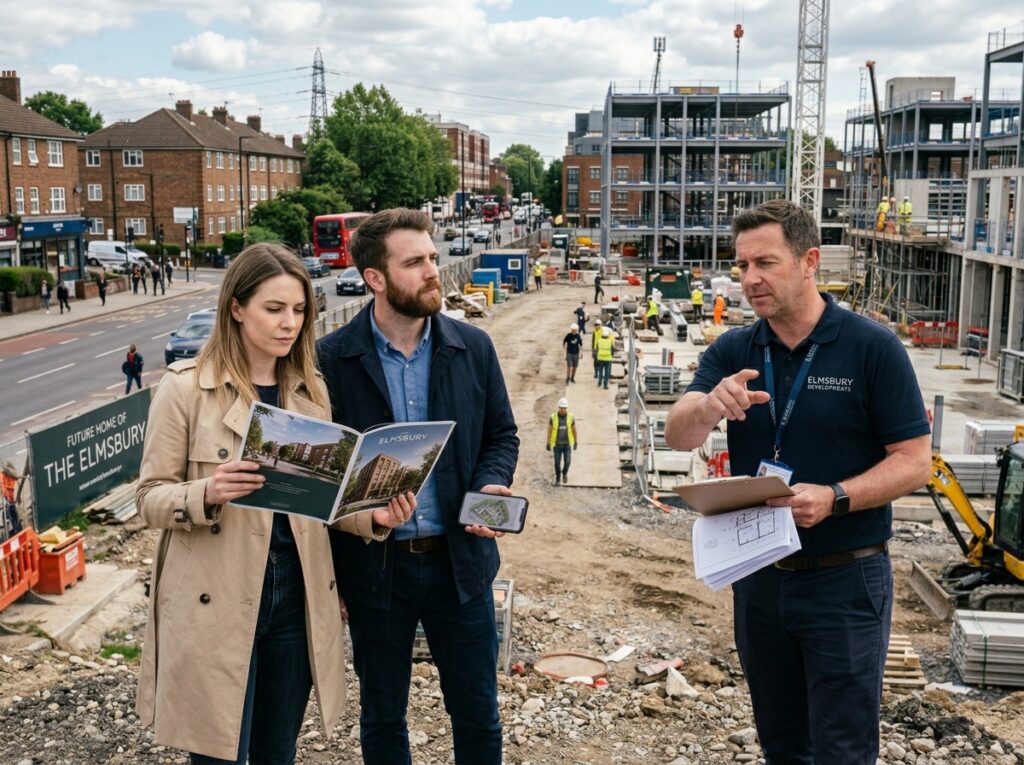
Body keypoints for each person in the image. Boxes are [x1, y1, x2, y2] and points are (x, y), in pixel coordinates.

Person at [663, 199, 931, 765]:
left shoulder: (871, 348)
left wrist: (836, 498)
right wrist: (708, 405)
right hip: (759, 578)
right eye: (742, 266)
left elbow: (914, 461)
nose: (749, 279)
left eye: (766, 263)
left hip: (845, 580)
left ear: (810, 262)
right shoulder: (735, 349)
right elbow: (679, 435)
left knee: (842, 748)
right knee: (782, 744)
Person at [134, 243, 414, 764]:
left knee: (277, 751)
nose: (290, 323)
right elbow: (148, 499)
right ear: (237, 308)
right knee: (218, 754)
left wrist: (371, 515)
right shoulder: (185, 389)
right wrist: (206, 493)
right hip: (215, 596)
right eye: (274, 308)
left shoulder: (310, 392)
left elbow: (321, 500)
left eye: (300, 309)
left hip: (296, 595)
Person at [317, 208, 519, 765]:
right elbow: (324, 473)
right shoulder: (330, 360)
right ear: (375, 278)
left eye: (432, 257)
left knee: (478, 713)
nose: (433, 270)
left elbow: (501, 435)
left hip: (461, 565)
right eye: (415, 263)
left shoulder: (473, 347)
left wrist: (491, 484)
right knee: (383, 717)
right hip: (375, 570)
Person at [546, 398, 577, 485]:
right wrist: (548, 442)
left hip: (567, 445)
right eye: (561, 408)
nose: (563, 409)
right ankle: (558, 478)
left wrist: (575, 442)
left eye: (564, 408)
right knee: (557, 463)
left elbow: (574, 430)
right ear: (558, 407)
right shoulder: (553, 417)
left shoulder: (571, 417)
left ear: (566, 408)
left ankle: (564, 473)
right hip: (557, 445)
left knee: (567, 462)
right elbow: (549, 430)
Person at [1, 460, 22, 542]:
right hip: (13, 501)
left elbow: (3, 489)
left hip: (11, 502)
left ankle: (14, 533)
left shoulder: (5, 475)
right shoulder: (14, 476)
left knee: (11, 516)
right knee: (13, 517)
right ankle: (15, 532)